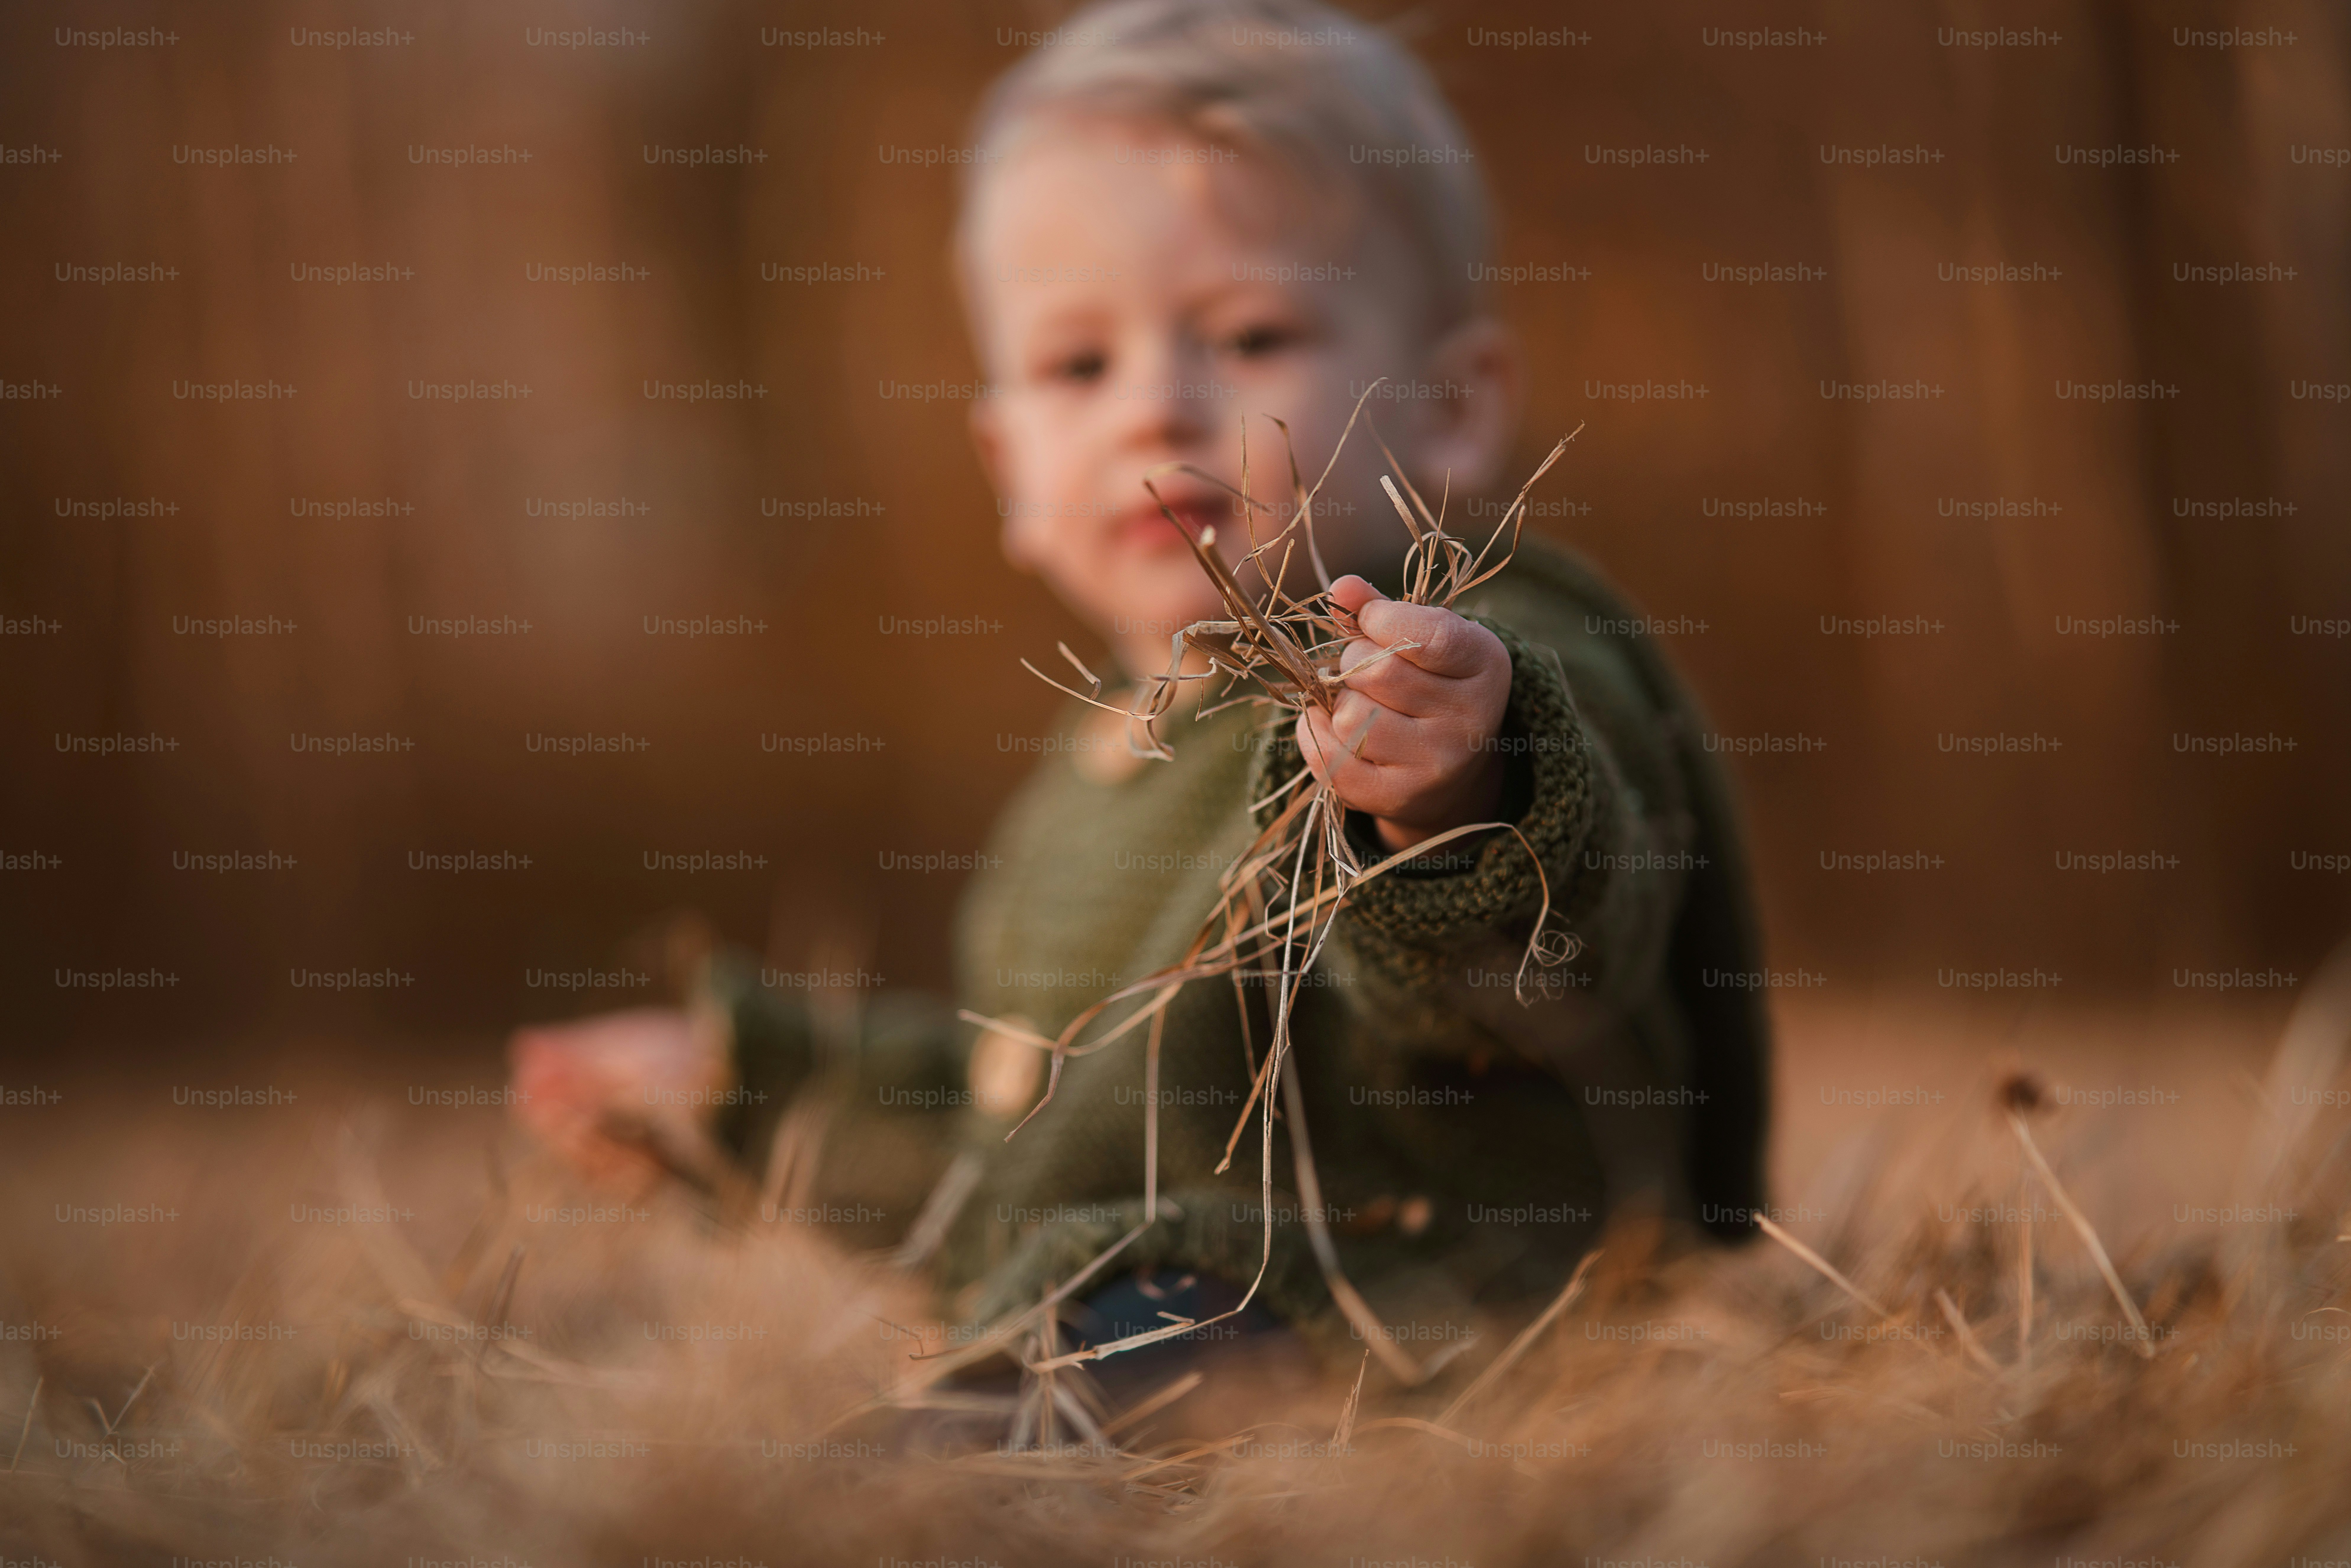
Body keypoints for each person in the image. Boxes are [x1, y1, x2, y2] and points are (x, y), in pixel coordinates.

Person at [510, 0, 1770, 1391]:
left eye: (1244, 335)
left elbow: (1556, 937)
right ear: (1007, 470)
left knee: (1061, 1404)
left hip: (1382, 1290)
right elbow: (1015, 1145)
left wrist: (1456, 797)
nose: (1153, 408)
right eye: (1077, 364)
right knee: (1019, 1395)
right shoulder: (1091, 777)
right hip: (1138, 1291)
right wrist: (745, 1091)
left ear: (1451, 406)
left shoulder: (1484, 654)